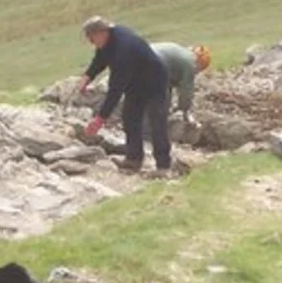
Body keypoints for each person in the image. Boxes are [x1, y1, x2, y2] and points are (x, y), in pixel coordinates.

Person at [79, 16, 172, 173]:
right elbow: (101, 58)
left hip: (154, 82)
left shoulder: (124, 49)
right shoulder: (108, 41)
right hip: (135, 83)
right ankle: (133, 159)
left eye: (92, 38)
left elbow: (116, 88)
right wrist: (87, 76)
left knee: (157, 122)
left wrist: (100, 118)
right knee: (130, 118)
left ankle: (163, 166)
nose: (91, 42)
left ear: (101, 32)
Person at [151, 42, 212, 118]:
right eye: (200, 69)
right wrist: (184, 110)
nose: (197, 73)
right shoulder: (190, 64)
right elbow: (186, 91)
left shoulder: (181, 54)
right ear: (199, 63)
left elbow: (169, 83)